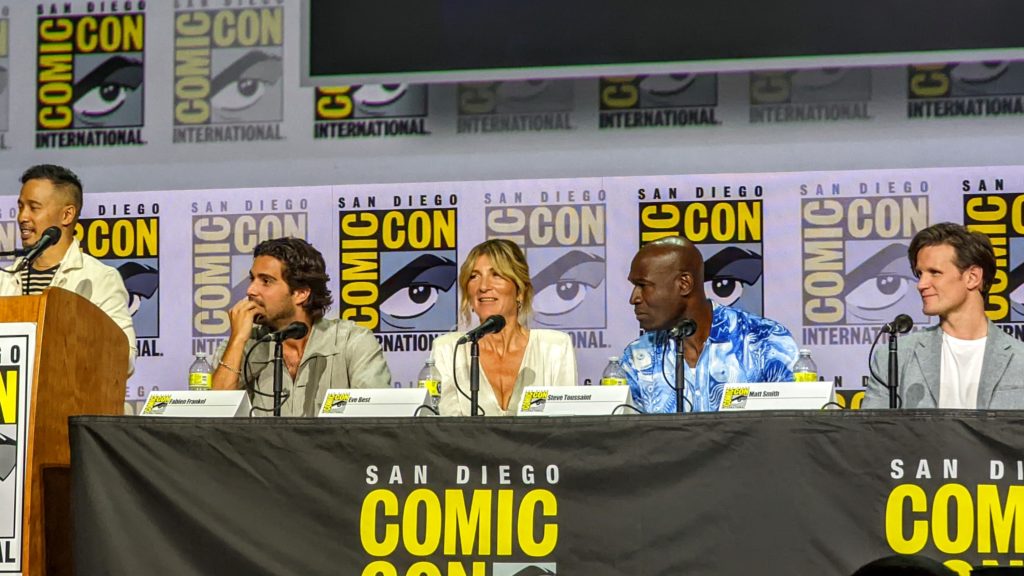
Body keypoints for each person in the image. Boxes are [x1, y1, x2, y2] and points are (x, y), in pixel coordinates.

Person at [211, 237, 391, 416]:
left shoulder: (352, 342)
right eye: (253, 279)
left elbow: (376, 421)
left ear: (301, 293)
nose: (250, 290)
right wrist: (238, 339)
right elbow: (213, 419)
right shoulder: (244, 344)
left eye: (266, 281)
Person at [620, 236, 799, 413]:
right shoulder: (636, 357)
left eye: (643, 285)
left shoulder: (765, 341)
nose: (634, 298)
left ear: (684, 284)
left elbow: (797, 425)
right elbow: (621, 435)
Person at [863, 222, 1024, 409]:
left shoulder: (1020, 359)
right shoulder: (895, 357)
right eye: (919, 274)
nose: (921, 284)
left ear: (972, 277)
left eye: (934, 273)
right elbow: (873, 434)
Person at [0, 164, 136, 373]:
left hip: (73, 402)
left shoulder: (98, 279)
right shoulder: (5, 279)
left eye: (34, 207)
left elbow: (123, 358)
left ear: (67, 215)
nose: (22, 217)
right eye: (20, 207)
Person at [431, 239, 577, 416]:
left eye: (496, 275)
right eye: (474, 276)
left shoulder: (554, 347)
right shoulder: (449, 349)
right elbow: (445, 430)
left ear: (520, 291)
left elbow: (566, 425)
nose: (483, 287)